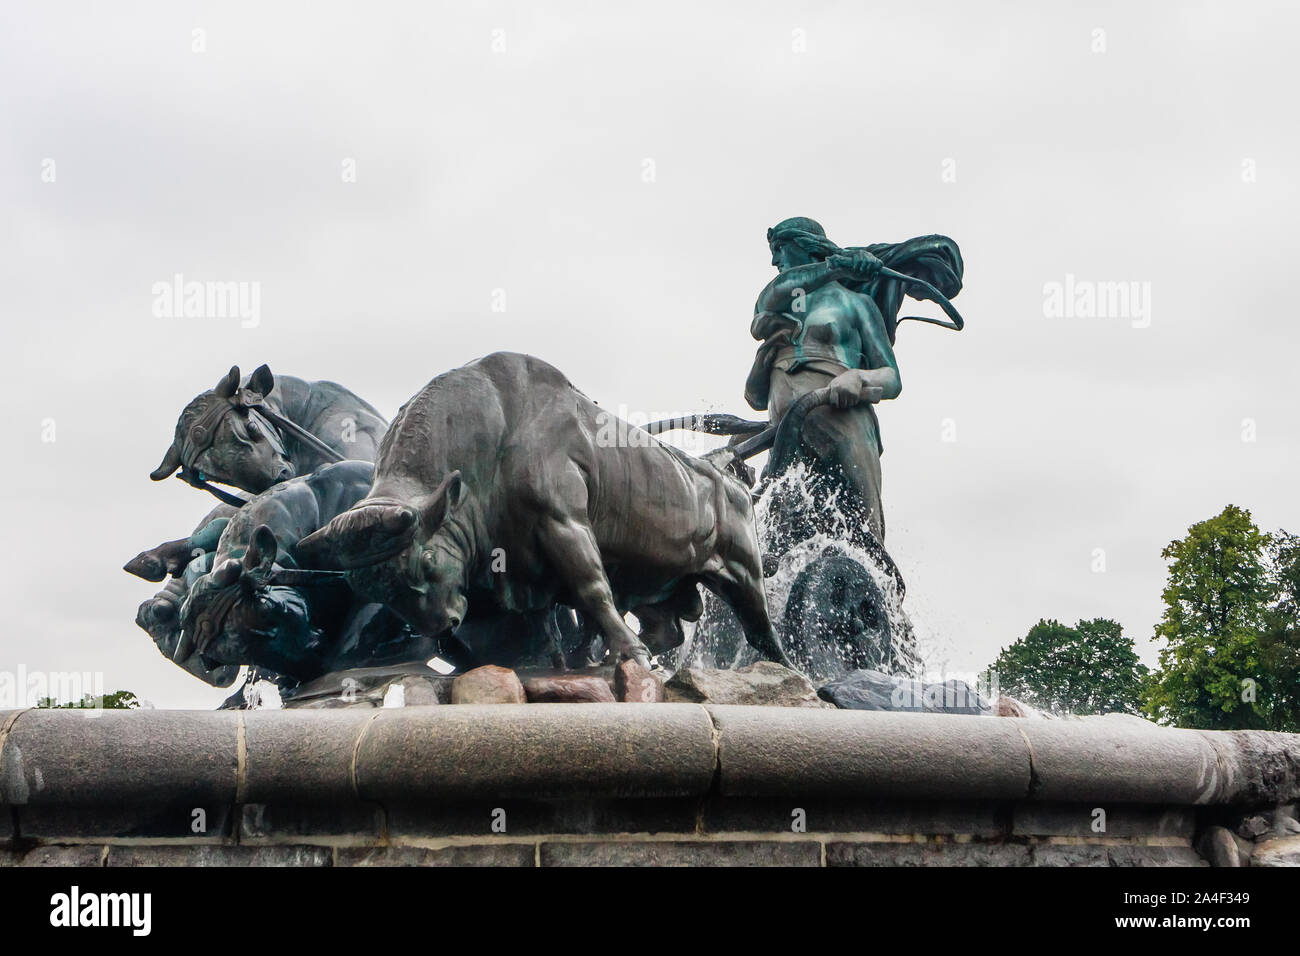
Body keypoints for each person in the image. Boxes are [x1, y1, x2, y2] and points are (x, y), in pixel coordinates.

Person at [746, 217, 964, 544]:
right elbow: (772, 297)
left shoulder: (856, 305)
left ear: (805, 246)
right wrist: (838, 265)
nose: (774, 260)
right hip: (786, 434)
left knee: (866, 538)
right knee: (771, 544)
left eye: (780, 249)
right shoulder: (781, 304)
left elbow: (891, 379)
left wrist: (858, 377)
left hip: (844, 427)